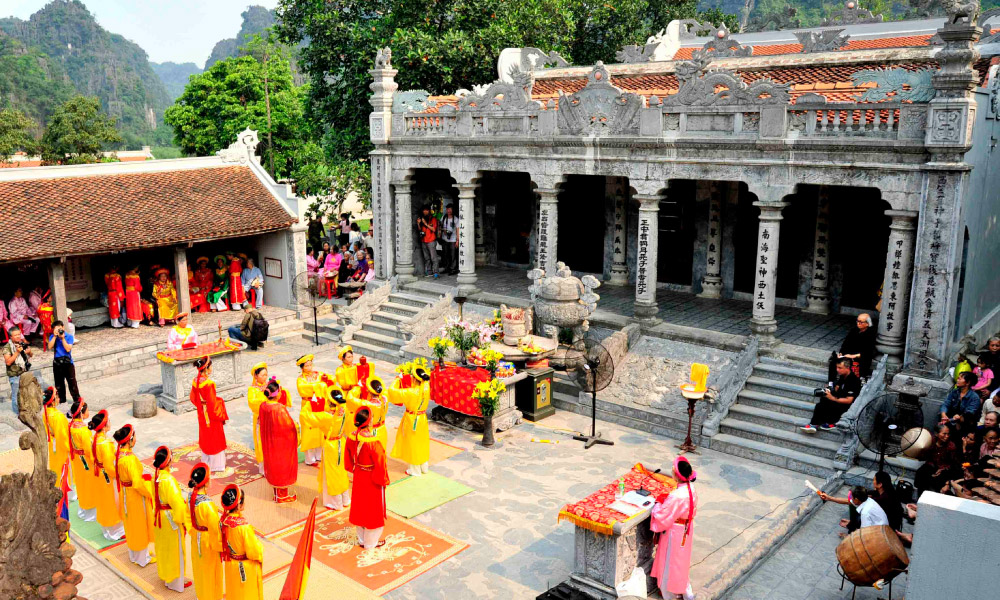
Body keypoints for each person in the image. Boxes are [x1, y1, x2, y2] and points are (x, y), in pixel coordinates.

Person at [650, 456, 698, 600]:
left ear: (677, 476)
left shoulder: (677, 496)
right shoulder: (691, 488)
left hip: (675, 532)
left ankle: (670, 593)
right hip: (686, 528)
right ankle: (684, 590)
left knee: (669, 562)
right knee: (681, 562)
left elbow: (661, 516)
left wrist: (657, 504)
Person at [346, 407, 389, 550]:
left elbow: (348, 458)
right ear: (369, 421)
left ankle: (362, 539)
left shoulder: (351, 436)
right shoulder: (372, 441)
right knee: (372, 510)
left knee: (360, 506)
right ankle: (371, 543)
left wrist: (353, 467)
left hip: (359, 474)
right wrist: (383, 479)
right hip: (371, 477)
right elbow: (381, 462)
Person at [114, 424, 155, 566]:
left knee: (130, 523)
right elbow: (137, 483)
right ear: (130, 440)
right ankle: (142, 558)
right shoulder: (130, 459)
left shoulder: (119, 454)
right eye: (135, 437)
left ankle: (134, 554)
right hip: (134, 495)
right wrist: (148, 492)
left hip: (125, 493)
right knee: (139, 524)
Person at [152, 446, 191, 592]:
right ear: (169, 461)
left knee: (163, 549)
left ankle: (167, 577)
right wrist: (183, 520)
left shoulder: (155, 476)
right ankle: (176, 583)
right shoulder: (169, 480)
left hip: (159, 517)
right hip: (169, 519)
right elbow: (177, 504)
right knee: (175, 551)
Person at [819, 471, 902, 533]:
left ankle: (852, 527)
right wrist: (830, 498)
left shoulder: (884, 498)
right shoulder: (882, 491)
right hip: (880, 520)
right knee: (854, 503)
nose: (873, 481)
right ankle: (852, 524)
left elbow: (864, 532)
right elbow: (853, 500)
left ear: (880, 484)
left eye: (874, 480)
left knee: (858, 513)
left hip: (887, 528)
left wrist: (851, 535)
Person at [220, 484, 264, 600]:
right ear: (239, 505)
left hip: (230, 564)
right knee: (246, 594)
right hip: (243, 567)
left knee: (233, 592)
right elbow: (254, 551)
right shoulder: (243, 526)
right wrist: (259, 546)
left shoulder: (222, 521)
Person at [259, 377, 299, 503]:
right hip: (280, 443)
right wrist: (296, 427)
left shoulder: (263, 406)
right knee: (282, 466)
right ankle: (282, 496)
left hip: (268, 440)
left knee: (273, 465)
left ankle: (277, 494)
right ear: (278, 393)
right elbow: (288, 426)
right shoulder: (279, 409)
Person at [188, 463, 224, 600]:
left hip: (196, 536)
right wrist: (221, 547)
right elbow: (215, 529)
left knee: (199, 569)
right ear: (206, 482)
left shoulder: (191, 497)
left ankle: (201, 596)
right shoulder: (208, 505)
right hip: (207, 541)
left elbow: (188, 517)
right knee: (211, 571)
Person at [89, 410, 126, 540]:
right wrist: (119, 474)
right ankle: (115, 531)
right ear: (104, 426)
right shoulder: (104, 444)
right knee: (112, 502)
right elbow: (109, 466)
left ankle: (108, 529)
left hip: (100, 474)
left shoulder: (96, 439)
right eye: (108, 421)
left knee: (104, 501)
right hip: (108, 477)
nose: (110, 423)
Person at [388, 367, 431, 477]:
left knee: (413, 444)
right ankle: (423, 467)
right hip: (422, 418)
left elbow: (393, 392)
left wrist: (398, 379)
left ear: (415, 379)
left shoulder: (411, 392)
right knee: (422, 443)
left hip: (412, 420)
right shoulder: (426, 387)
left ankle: (415, 470)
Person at [801, 358, 860, 433]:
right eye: (837, 367)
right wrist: (828, 391)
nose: (837, 370)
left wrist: (833, 398)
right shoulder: (842, 376)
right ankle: (814, 424)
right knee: (823, 400)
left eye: (840, 368)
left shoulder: (853, 380)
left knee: (825, 404)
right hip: (839, 399)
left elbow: (849, 400)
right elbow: (837, 389)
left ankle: (830, 423)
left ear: (847, 368)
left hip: (847, 406)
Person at [191, 357, 229, 473]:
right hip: (210, 415)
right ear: (206, 368)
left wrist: (201, 405)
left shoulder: (195, 380)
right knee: (215, 438)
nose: (212, 368)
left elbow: (193, 398)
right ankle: (217, 465)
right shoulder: (209, 384)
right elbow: (212, 404)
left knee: (205, 436)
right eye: (211, 366)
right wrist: (220, 413)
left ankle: (206, 461)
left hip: (202, 412)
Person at [296, 354, 335, 466]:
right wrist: (319, 385)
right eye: (306, 366)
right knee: (309, 430)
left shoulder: (318, 374)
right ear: (302, 368)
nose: (309, 367)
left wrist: (328, 381)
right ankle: (309, 458)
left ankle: (319, 455)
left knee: (319, 429)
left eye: (310, 365)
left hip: (319, 404)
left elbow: (330, 379)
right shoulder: (300, 379)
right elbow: (303, 390)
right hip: (308, 405)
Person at [318, 389, 351, 510]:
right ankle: (345, 499)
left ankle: (335, 502)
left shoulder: (326, 416)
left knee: (331, 473)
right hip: (341, 442)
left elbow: (309, 418)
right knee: (342, 471)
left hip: (331, 445)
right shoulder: (344, 411)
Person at [67, 400, 96, 521]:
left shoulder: (72, 425)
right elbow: (89, 450)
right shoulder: (83, 430)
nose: (88, 412)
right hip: (86, 461)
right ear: (81, 414)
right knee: (89, 485)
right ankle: (91, 513)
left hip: (77, 460)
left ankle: (84, 509)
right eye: (87, 410)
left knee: (81, 484)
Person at [915, 422, 959, 497]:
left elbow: (953, 463)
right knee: (921, 473)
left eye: (948, 434)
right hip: (931, 465)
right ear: (936, 434)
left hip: (944, 469)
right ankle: (921, 499)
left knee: (939, 480)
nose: (947, 436)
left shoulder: (951, 446)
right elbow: (924, 457)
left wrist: (943, 469)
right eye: (944, 434)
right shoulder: (931, 442)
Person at [829, 313, 876, 382]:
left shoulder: (871, 334)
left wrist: (853, 356)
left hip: (860, 357)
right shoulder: (854, 330)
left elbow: (868, 352)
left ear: (867, 324)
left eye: (861, 322)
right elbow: (845, 344)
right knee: (834, 360)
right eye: (857, 321)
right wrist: (841, 353)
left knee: (849, 364)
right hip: (848, 354)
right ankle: (831, 383)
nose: (858, 323)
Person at [43, 387, 71, 487]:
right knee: (65, 467)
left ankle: (56, 485)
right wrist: (69, 448)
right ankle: (67, 491)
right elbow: (62, 436)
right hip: (60, 446)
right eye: (58, 397)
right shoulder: (57, 416)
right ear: (53, 400)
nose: (59, 399)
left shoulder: (46, 413)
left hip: (52, 444)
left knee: (55, 466)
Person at [47, 320, 81, 404]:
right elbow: (49, 347)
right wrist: (55, 337)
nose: (59, 331)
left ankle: (77, 400)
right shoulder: (52, 336)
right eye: (56, 329)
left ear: (63, 327)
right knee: (59, 384)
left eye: (60, 328)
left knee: (72, 383)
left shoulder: (69, 336)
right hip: (57, 363)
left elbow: (68, 349)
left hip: (68, 362)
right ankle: (62, 400)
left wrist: (62, 338)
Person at [4, 326, 34, 412]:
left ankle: (27, 411)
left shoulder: (22, 344)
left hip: (24, 373)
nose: (18, 336)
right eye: (15, 335)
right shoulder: (7, 348)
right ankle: (17, 413)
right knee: (16, 395)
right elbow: (8, 362)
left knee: (27, 393)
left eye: (19, 334)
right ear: (11, 337)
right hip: (15, 375)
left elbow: (31, 355)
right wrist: (17, 352)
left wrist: (29, 352)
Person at [247, 362, 270, 472]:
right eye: (262, 375)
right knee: (261, 443)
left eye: (266, 374)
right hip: (260, 419)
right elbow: (253, 403)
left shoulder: (269, 385)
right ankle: (263, 468)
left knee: (271, 442)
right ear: (256, 376)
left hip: (270, 418)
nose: (265, 377)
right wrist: (265, 398)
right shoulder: (252, 390)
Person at [417, 205, 440, 278]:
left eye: (426, 210)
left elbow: (433, 229)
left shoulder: (433, 219)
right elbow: (420, 230)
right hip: (424, 241)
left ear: (429, 211)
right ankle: (429, 272)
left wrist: (425, 224)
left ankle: (436, 272)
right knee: (427, 258)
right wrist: (418, 223)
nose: (425, 212)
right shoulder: (422, 219)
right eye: (424, 210)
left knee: (434, 258)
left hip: (431, 241)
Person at [440, 204, 459, 275]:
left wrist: (457, 240)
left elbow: (458, 230)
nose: (449, 211)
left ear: (453, 210)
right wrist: (443, 231)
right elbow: (440, 226)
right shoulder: (444, 217)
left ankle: (453, 269)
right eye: (448, 209)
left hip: (453, 240)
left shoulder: (456, 219)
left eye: (450, 209)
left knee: (453, 255)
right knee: (445, 254)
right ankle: (447, 268)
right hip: (445, 239)